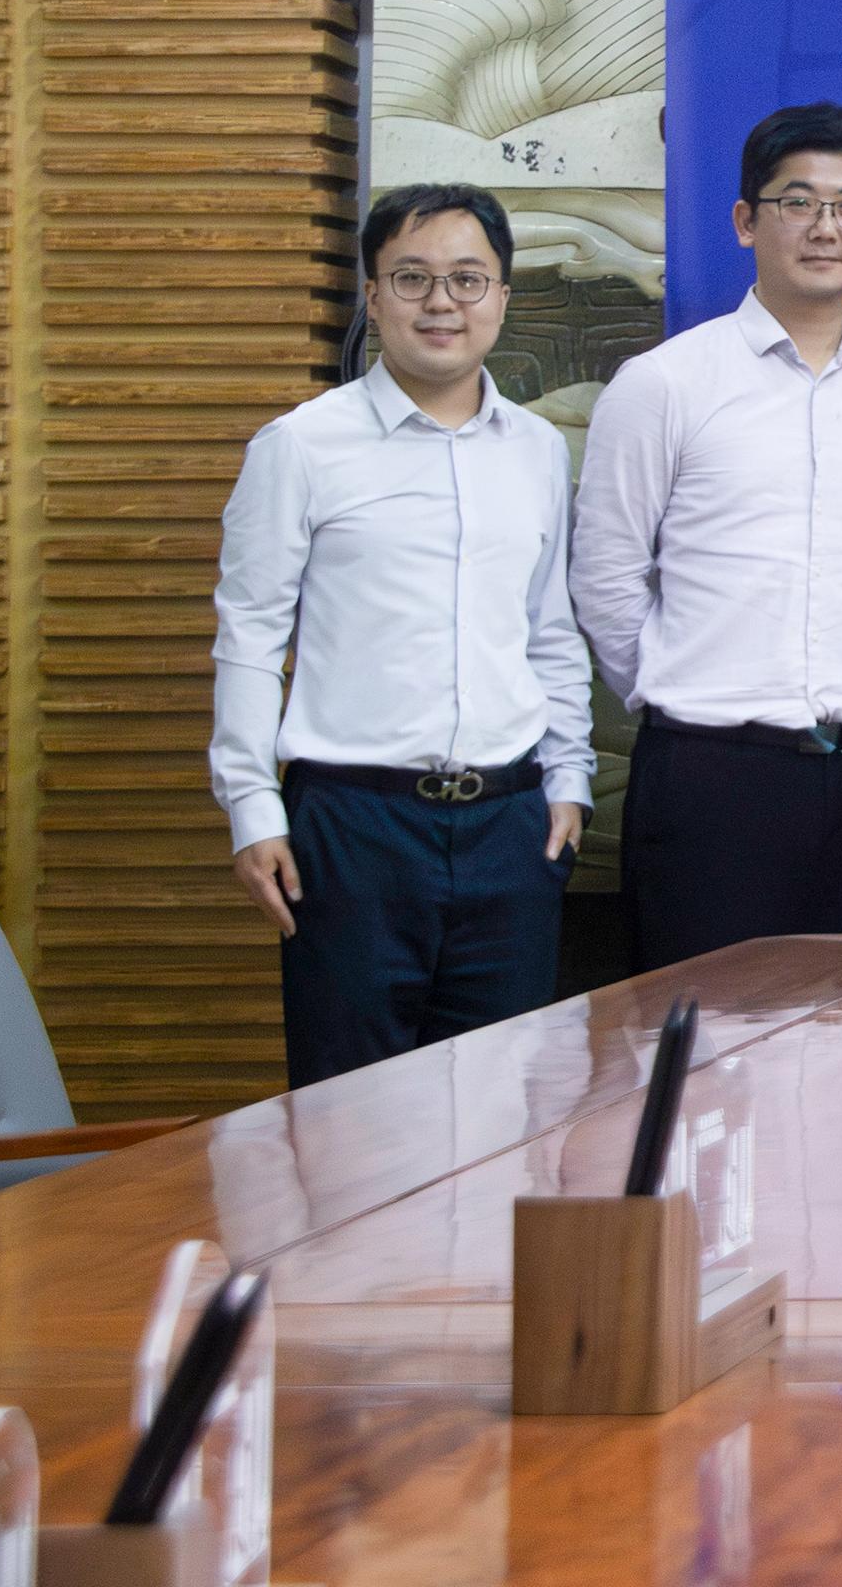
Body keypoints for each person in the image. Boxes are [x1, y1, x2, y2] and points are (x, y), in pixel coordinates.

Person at [211, 184, 588, 1085]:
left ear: (503, 296)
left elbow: (550, 629)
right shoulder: (301, 446)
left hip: (510, 825)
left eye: (468, 278)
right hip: (354, 829)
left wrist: (569, 778)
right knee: (350, 1113)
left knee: (501, 1110)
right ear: (374, 297)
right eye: (413, 278)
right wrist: (251, 808)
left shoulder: (537, 449)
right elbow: (250, 636)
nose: (441, 302)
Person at [574, 103, 842, 967]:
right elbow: (606, 577)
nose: (825, 227)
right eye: (797, 202)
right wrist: (682, 697)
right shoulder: (665, 384)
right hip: (709, 779)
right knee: (705, 1036)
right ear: (746, 221)